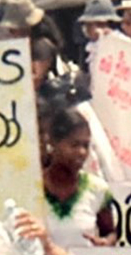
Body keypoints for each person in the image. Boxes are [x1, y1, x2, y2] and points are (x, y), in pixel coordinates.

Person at [40, 106, 118, 247]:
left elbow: (110, 233)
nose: (82, 152)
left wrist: (106, 242)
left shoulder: (98, 188)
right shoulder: (32, 188)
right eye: (74, 145)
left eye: (86, 145)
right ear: (53, 143)